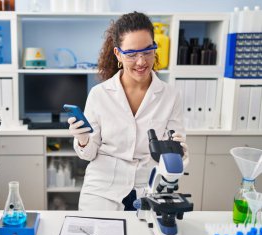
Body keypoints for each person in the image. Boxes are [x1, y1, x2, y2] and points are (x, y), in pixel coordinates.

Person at [67, 12, 189, 211]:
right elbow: (88, 155)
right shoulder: (99, 95)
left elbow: (178, 158)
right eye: (132, 54)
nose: (141, 61)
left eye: (148, 51)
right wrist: (83, 140)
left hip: (149, 187)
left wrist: (179, 152)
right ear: (118, 54)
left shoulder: (170, 96)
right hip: (103, 188)